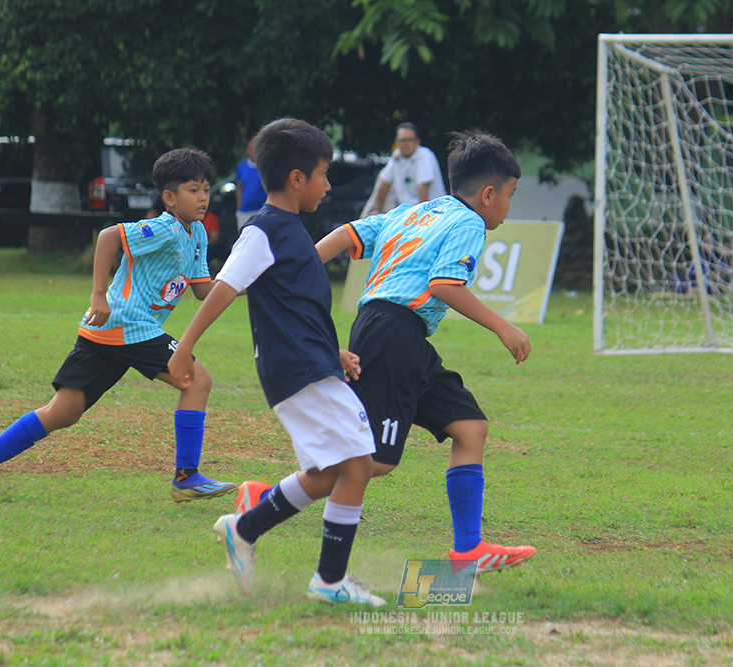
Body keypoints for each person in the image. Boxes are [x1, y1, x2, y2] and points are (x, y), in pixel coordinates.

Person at [238, 129, 535, 574]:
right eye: (511, 196)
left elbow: (348, 232)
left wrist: (302, 267)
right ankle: (264, 502)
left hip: (398, 335)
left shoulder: (415, 211)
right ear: (489, 194)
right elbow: (445, 286)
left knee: (470, 427)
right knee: (370, 461)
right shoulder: (469, 223)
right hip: (394, 334)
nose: (509, 208)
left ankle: (467, 550)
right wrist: (503, 326)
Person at [166, 118, 383, 606]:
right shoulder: (263, 230)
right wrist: (184, 346)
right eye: (324, 174)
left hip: (310, 363)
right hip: (297, 370)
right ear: (297, 178)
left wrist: (335, 352)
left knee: (329, 471)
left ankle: (243, 528)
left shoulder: (291, 231)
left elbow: (297, 309)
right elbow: (225, 289)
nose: (328, 185)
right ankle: (329, 581)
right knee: (358, 465)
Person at [0, 148, 237, 504]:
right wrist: (98, 295)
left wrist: (242, 282)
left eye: (206, 189)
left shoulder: (196, 233)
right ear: (169, 197)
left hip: (112, 332)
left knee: (65, 410)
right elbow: (108, 237)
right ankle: (186, 477)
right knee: (196, 380)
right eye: (193, 190)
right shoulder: (163, 227)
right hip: (126, 322)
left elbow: (202, 290)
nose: (203, 197)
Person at [363, 122, 446, 216]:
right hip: (409, 215)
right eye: (402, 140)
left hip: (432, 214)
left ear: (417, 141)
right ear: (396, 142)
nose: (405, 144)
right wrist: (377, 212)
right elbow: (384, 183)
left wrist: (421, 217)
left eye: (409, 140)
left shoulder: (424, 155)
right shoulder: (397, 157)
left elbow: (423, 187)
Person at [235, 138, 264, 228]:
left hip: (262, 210)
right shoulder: (242, 167)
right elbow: (239, 187)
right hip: (245, 211)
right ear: (247, 150)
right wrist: (239, 207)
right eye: (251, 148)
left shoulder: (265, 166)